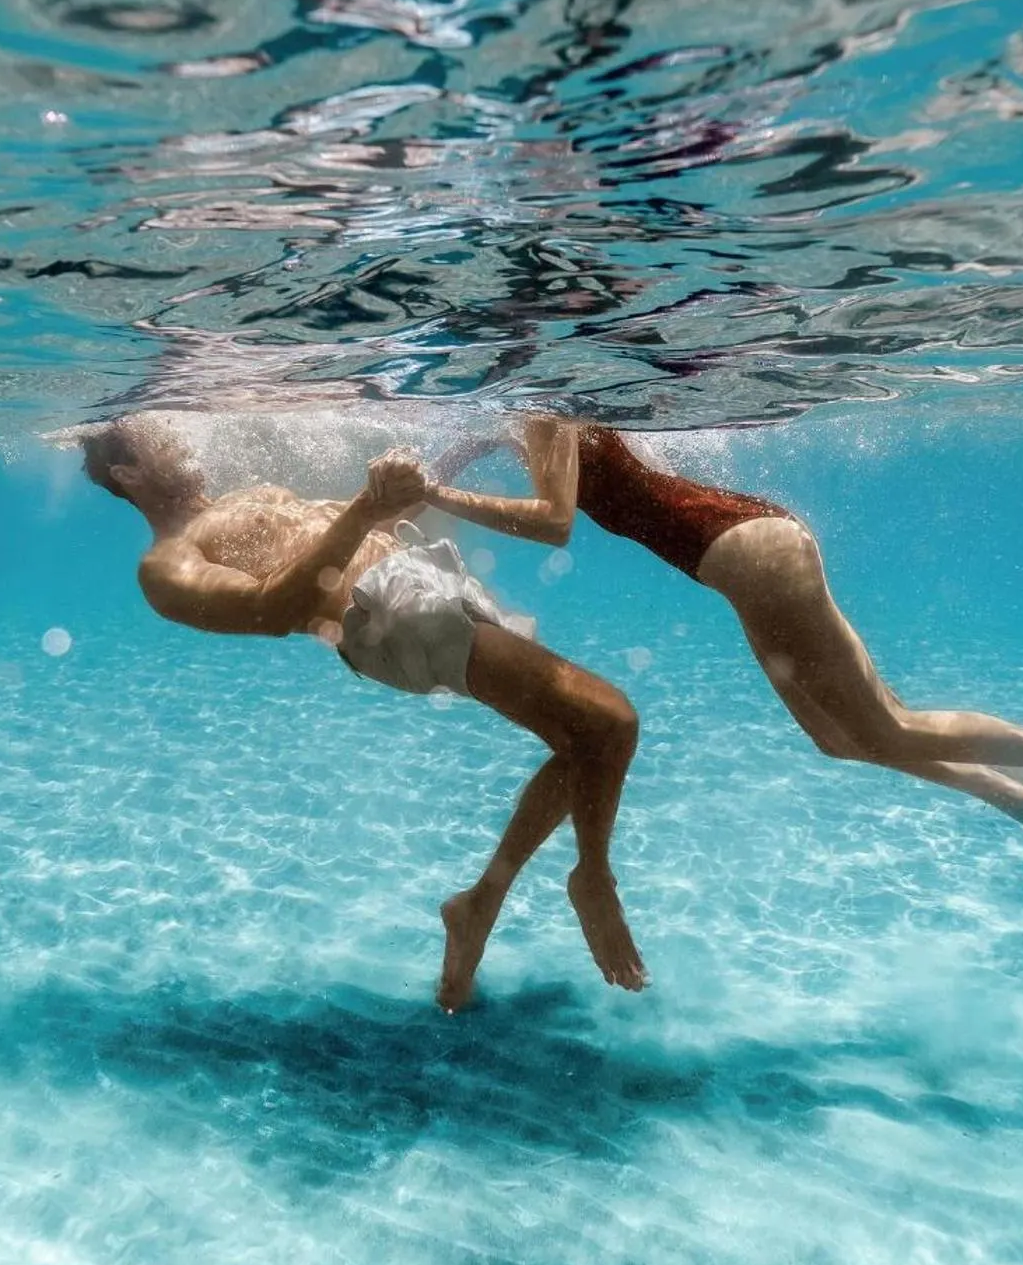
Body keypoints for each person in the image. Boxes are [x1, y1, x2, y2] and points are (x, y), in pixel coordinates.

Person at [424, 417, 1023, 900]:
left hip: (755, 554)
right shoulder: (523, 416)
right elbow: (490, 452)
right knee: (840, 737)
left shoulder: (545, 411)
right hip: (745, 559)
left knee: (889, 725)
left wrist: (434, 489)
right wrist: (438, 465)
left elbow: (554, 523)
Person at [77, 413, 646, 1009]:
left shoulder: (240, 500)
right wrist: (365, 508)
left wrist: (435, 469)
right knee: (611, 723)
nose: (180, 437)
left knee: (586, 742)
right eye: (160, 437)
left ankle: (480, 905)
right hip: (387, 617)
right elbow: (273, 610)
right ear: (128, 471)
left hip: (422, 580)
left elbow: (366, 524)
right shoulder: (166, 562)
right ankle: (590, 878)